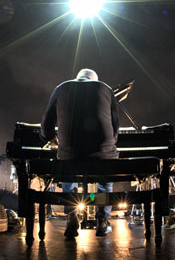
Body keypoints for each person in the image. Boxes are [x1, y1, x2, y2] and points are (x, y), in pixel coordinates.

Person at [40, 68, 119, 238]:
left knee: (68, 178)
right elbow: (115, 127)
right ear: (94, 79)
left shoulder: (61, 88)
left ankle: (71, 218)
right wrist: (107, 146)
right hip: (101, 156)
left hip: (71, 155)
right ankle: (102, 221)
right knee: (104, 183)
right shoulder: (105, 88)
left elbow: (47, 122)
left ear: (78, 78)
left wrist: (50, 137)